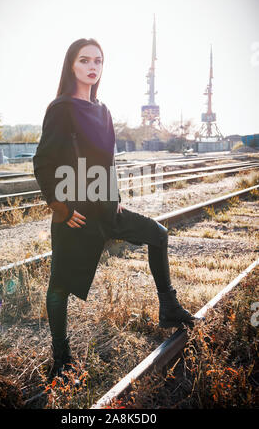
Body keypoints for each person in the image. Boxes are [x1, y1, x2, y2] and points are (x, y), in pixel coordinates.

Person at [33, 38, 197, 383]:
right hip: (75, 213)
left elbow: (108, 162)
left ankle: (168, 307)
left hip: (107, 207)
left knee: (158, 233)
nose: (92, 67)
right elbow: (43, 161)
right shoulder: (60, 108)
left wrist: (115, 194)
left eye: (98, 61)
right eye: (84, 60)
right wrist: (58, 206)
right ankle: (62, 360)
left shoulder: (103, 110)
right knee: (60, 286)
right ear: (71, 66)